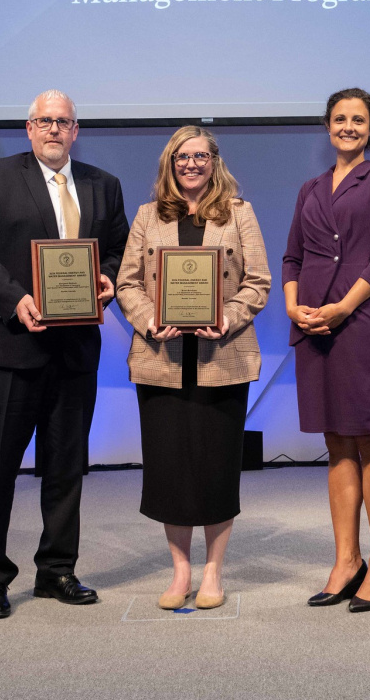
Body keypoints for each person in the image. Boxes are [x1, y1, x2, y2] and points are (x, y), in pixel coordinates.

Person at [0, 89, 129, 618]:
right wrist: (16, 300)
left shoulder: (103, 184)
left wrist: (107, 279)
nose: (54, 129)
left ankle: (56, 570)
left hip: (74, 353)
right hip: (9, 349)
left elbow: (119, 249)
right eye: (44, 121)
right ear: (29, 128)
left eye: (63, 122)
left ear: (76, 131)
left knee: (66, 467)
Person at [116, 126, 271, 610]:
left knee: (216, 468)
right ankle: (180, 571)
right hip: (161, 362)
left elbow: (259, 281)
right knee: (169, 470)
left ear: (214, 162)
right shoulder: (147, 216)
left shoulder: (240, 213)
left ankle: (213, 571)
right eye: (182, 157)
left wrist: (227, 317)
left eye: (201, 156)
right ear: (170, 162)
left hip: (222, 360)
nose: (191, 164)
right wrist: (149, 319)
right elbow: (127, 283)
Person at [282, 87, 370, 613]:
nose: (348, 127)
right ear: (327, 126)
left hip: (360, 323)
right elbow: (292, 257)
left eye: (358, 119)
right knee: (335, 442)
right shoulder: (310, 188)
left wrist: (341, 307)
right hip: (313, 327)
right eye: (339, 119)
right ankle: (346, 560)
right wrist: (294, 307)